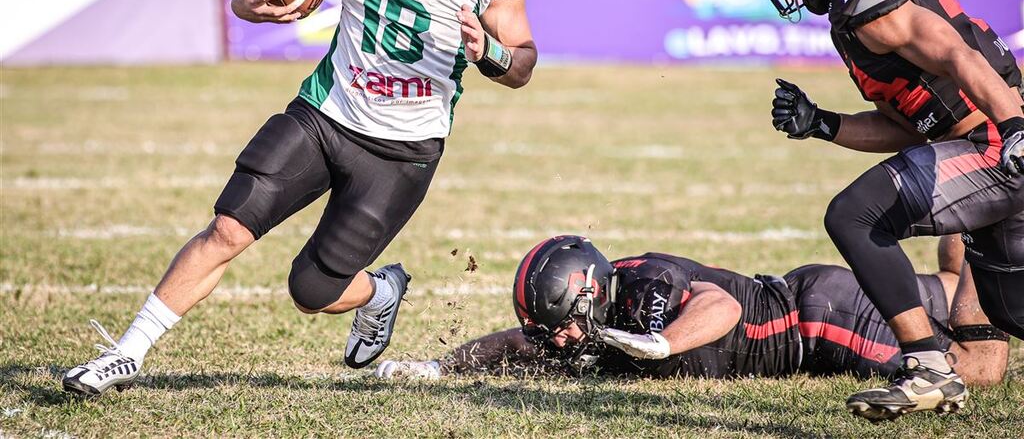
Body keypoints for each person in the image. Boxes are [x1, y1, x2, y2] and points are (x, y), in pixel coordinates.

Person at [62, 0, 539, 397]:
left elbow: (521, 60)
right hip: (327, 109)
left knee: (312, 291)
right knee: (229, 227)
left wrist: (491, 52)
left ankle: (380, 291)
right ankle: (125, 354)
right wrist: (252, 2)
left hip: (403, 146)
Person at [754, 0, 1023, 421]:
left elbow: (955, 54)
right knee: (1011, 308)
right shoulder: (864, 0)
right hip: (978, 143)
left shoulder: (872, 1)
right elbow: (909, 126)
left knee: (855, 215)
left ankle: (928, 366)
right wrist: (823, 123)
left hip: (994, 145)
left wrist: (1016, 127)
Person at [374, 235, 1009, 393]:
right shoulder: (581, 320)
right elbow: (518, 343)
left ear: (588, 292)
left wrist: (663, 344)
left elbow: (721, 304)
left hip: (816, 319)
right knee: (954, 286)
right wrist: (434, 365)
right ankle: (978, 213)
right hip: (816, 299)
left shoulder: (645, 282)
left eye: (564, 321)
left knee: (969, 368)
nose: (561, 339)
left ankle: (988, 206)